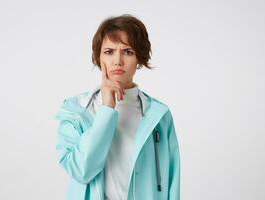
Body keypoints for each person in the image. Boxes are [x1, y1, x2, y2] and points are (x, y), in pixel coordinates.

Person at [54, 14, 180, 200]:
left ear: (139, 58)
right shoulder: (75, 110)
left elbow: (172, 180)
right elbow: (81, 170)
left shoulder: (159, 115)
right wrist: (106, 109)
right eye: (109, 52)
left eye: (127, 51)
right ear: (98, 56)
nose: (117, 61)